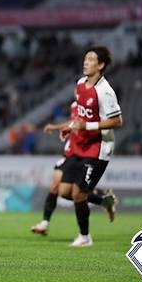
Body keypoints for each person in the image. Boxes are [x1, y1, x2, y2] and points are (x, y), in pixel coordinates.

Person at [58, 46, 123, 247]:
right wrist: (71, 127)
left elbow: (117, 121)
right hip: (80, 144)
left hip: (98, 147)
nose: (85, 62)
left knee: (79, 194)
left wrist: (88, 125)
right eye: (85, 58)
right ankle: (104, 200)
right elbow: (80, 114)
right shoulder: (80, 84)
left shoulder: (105, 91)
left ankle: (85, 237)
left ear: (101, 65)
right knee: (64, 191)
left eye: (91, 59)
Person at [31, 101, 117, 236]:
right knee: (60, 190)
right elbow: (73, 123)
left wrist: (56, 127)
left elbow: (90, 125)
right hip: (70, 154)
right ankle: (44, 223)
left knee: (68, 191)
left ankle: (101, 204)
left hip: (84, 154)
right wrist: (58, 128)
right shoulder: (75, 105)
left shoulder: (95, 106)